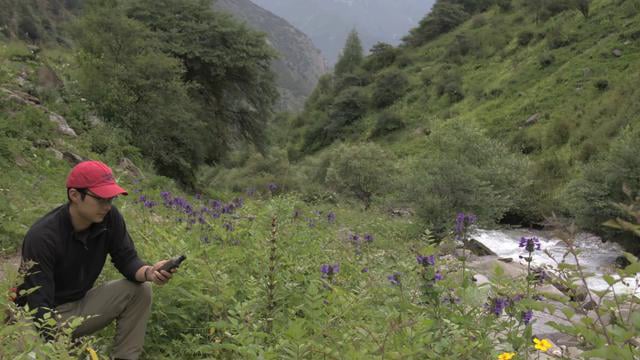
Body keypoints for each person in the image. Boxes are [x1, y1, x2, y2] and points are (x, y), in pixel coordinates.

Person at [16, 160, 175, 360]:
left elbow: (126, 259)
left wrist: (150, 272)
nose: (107, 206)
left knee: (141, 290)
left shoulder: (109, 219)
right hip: (39, 317)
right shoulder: (43, 237)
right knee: (28, 352)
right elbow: (39, 305)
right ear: (74, 195)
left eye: (111, 199)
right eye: (101, 199)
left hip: (80, 305)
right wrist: (63, 348)